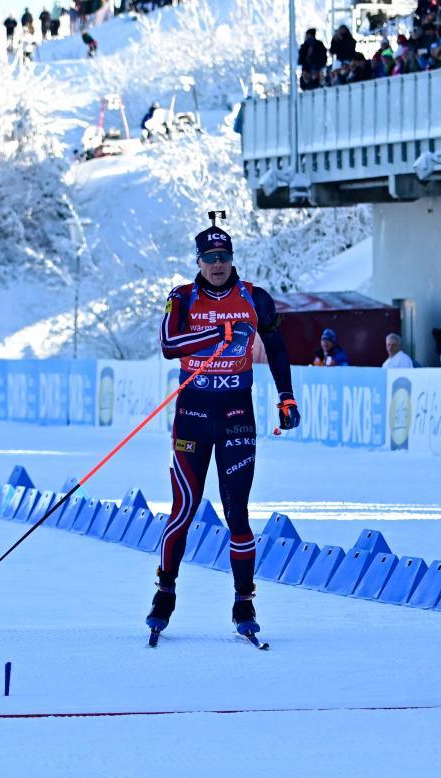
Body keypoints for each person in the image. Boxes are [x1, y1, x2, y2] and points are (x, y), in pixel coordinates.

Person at [148, 217, 297, 643]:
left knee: (238, 514)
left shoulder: (254, 297)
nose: (218, 264)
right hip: (193, 414)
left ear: (232, 259)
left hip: (236, 413)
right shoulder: (182, 297)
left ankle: (244, 603)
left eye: (224, 257)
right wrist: (220, 332)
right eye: (210, 257)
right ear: (198, 260)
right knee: (184, 508)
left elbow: (277, 346)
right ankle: (164, 593)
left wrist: (286, 396)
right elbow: (169, 346)